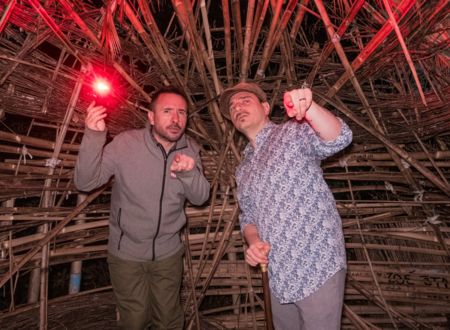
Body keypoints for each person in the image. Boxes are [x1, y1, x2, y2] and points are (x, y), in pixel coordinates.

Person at [74, 86, 210, 330]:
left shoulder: (191, 149)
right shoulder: (126, 144)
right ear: (151, 116)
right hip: (127, 254)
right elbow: (86, 182)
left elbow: (201, 197)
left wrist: (189, 174)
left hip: (169, 255)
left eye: (182, 112)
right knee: (134, 321)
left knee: (169, 321)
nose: (176, 119)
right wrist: (94, 137)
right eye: (167, 111)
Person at [219, 82, 352, 330]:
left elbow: (339, 137)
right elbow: (247, 218)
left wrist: (310, 108)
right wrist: (254, 242)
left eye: (245, 100)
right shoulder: (243, 168)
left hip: (316, 262)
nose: (237, 107)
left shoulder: (293, 132)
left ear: (266, 107)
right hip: (277, 274)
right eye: (232, 106)